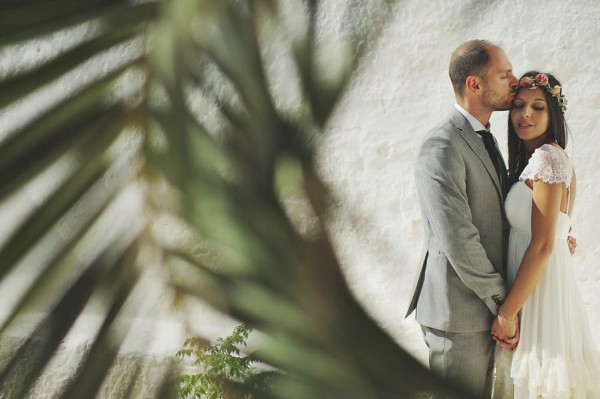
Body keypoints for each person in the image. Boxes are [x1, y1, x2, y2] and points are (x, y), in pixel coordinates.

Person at [406, 39, 518, 397]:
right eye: (505, 75)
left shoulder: (487, 139)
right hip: (458, 317)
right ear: (475, 84)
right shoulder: (442, 145)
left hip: (491, 311)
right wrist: (506, 306)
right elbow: (459, 238)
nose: (514, 81)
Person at [491, 71, 600, 398]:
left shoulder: (547, 158)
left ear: (553, 114)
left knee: (540, 377)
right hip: (535, 282)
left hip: (539, 290)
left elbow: (540, 245)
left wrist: (506, 314)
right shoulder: (540, 159)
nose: (525, 114)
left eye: (538, 107)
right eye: (519, 105)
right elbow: (558, 228)